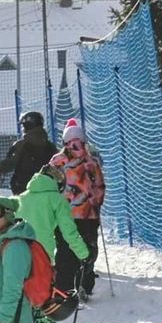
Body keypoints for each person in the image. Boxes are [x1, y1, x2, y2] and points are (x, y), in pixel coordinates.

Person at [14, 164, 90, 323]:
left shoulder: (21, 199)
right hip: (42, 263)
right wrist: (84, 254)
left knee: (19, 313)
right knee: (44, 313)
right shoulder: (56, 200)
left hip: (16, 261)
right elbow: (69, 232)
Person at [50, 119, 105, 298]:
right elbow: (100, 187)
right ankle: (84, 283)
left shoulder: (57, 161)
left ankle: (63, 288)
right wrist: (96, 204)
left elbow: (49, 184)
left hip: (63, 215)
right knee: (87, 249)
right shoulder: (92, 162)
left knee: (65, 250)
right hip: (88, 215)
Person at [0, 111, 56, 195]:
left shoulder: (20, 145)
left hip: (23, 191)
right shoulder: (51, 147)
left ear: (27, 126)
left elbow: (9, 164)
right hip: (47, 190)